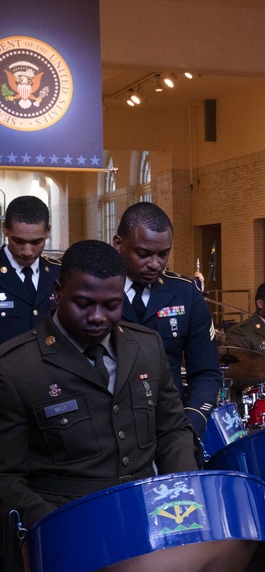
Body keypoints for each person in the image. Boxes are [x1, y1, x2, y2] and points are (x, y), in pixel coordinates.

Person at [0, 240, 199, 529]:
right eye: (83, 304)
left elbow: (172, 430)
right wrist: (52, 526)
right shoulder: (16, 367)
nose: (96, 317)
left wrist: (185, 491)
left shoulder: (146, 346)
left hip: (151, 518)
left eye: (111, 305)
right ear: (57, 292)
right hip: (68, 526)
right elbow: (6, 478)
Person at [113, 202, 223, 437]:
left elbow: (206, 372)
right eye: (143, 254)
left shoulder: (185, 293)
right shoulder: (97, 293)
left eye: (163, 254)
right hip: (111, 429)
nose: (155, 264)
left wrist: (191, 423)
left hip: (170, 426)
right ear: (119, 244)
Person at [0, 196, 61, 344]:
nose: (27, 251)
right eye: (18, 241)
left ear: (48, 232)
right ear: (4, 229)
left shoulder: (59, 273)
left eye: (36, 242)